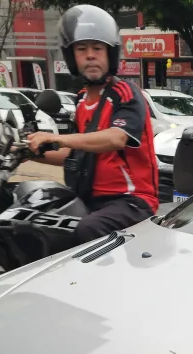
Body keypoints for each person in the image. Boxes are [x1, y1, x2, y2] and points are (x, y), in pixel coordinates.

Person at [26, 5, 158, 245]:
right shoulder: (80, 101)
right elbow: (74, 153)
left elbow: (116, 138)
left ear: (110, 54)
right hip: (90, 197)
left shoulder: (125, 93)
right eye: (81, 49)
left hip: (131, 201)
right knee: (36, 215)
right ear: (71, 56)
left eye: (97, 48)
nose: (90, 55)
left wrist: (57, 138)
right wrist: (29, 153)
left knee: (88, 229)